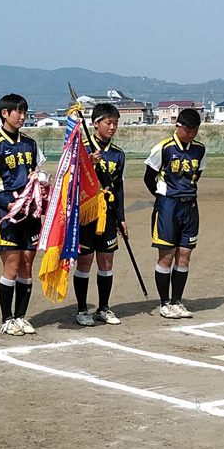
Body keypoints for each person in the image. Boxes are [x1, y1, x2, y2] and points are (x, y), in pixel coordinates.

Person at [0, 93, 45, 336]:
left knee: (27, 264)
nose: (23, 116)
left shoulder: (30, 144)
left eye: (25, 112)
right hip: (7, 214)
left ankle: (20, 317)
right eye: (18, 111)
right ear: (4, 113)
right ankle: (7, 319)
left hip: (30, 212)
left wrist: (42, 184)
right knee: (13, 265)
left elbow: (38, 172)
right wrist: (7, 204)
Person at [145, 107, 207, 319]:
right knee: (166, 256)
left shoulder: (199, 149)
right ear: (177, 126)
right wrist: (162, 197)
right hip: (168, 206)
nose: (190, 134)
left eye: (194, 131)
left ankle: (177, 301)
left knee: (185, 255)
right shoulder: (163, 148)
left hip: (190, 206)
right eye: (186, 130)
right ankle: (164, 303)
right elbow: (148, 177)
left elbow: (197, 173)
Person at [73, 102, 127, 326]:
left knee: (106, 261)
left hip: (109, 213)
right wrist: (87, 163)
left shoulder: (118, 154)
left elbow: (119, 187)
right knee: (85, 261)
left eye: (115, 123)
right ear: (95, 124)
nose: (112, 127)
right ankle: (82, 309)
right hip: (86, 212)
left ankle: (103, 307)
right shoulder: (81, 148)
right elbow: (70, 180)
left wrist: (122, 218)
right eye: (108, 123)